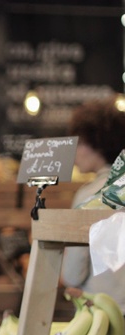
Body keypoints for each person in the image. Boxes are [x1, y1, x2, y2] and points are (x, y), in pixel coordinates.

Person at [60, 95, 125, 311]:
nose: (75, 153)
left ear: (95, 143)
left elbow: (73, 273)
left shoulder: (89, 195)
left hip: (104, 309)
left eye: (78, 143)